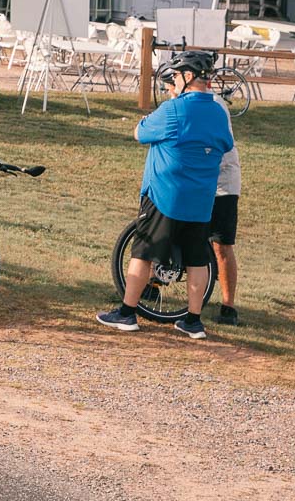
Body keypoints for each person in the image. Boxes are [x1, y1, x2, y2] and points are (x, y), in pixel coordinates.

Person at [99, 50, 233, 339]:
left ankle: (126, 313)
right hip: (200, 199)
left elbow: (140, 132)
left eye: (175, 76)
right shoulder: (218, 112)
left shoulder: (174, 110)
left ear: (188, 77)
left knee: (143, 253)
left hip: (165, 195)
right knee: (197, 260)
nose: (173, 82)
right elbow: (225, 145)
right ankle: (193, 321)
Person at [208, 127, 242, 327]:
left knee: (221, 244)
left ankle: (228, 307)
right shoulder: (179, 101)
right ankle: (153, 284)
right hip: (197, 181)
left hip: (223, 185)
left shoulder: (215, 105)